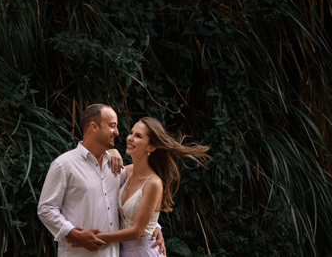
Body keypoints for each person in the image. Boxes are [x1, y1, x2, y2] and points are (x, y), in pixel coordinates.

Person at [38, 104, 165, 256]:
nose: (117, 132)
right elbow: (46, 208)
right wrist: (72, 232)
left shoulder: (116, 167)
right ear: (94, 127)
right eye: (112, 126)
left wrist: (154, 227)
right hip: (79, 253)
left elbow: (136, 198)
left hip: (113, 253)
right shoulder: (64, 165)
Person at [92, 117, 210, 256]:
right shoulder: (126, 172)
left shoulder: (153, 183)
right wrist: (110, 152)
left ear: (151, 147)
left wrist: (96, 238)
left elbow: (137, 231)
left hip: (145, 251)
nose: (130, 138)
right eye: (131, 133)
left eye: (138, 136)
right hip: (122, 251)